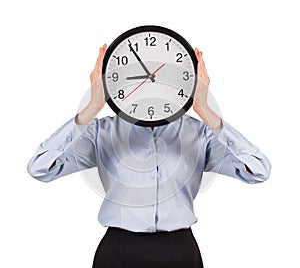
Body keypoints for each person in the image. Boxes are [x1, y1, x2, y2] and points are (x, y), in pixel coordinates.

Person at [27, 43, 272, 268]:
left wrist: (207, 111)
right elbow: (40, 167)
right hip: (118, 253)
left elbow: (258, 170)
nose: (152, 83)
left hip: (180, 253)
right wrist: (91, 108)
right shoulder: (102, 132)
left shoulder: (200, 134)